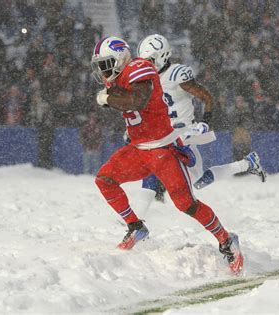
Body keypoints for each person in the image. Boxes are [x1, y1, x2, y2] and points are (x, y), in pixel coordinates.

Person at [91, 36, 243, 274]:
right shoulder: (119, 75)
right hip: (139, 148)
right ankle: (135, 226)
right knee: (105, 180)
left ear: (120, 58)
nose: (102, 69)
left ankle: (226, 240)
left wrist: (108, 98)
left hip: (163, 148)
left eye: (105, 63)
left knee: (185, 203)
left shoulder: (139, 68)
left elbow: (138, 102)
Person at [134, 34, 266, 215]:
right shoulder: (146, 80)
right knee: (181, 177)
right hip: (165, 134)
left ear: (162, 55)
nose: (146, 65)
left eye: (149, 60)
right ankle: (246, 164)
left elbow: (207, 98)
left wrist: (204, 123)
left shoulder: (176, 74)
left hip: (184, 132)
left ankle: (137, 218)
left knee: (175, 174)